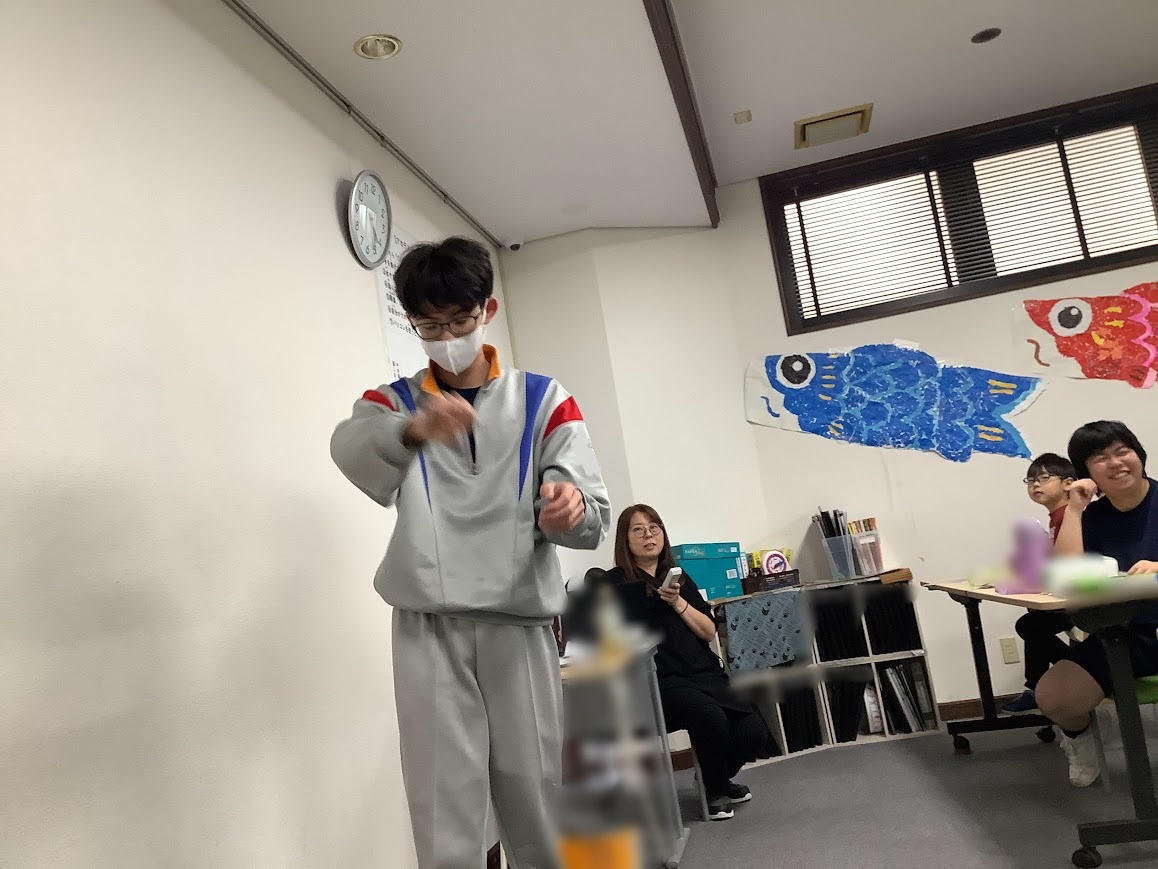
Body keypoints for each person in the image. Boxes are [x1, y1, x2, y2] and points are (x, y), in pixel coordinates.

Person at [330, 237, 611, 869]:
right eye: (430, 326)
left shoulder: (543, 399)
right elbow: (349, 446)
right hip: (429, 624)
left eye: (460, 320)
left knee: (536, 794)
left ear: (488, 310)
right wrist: (413, 430)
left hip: (520, 620)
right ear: (412, 323)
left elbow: (589, 513)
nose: (447, 337)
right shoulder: (394, 403)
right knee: (442, 800)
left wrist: (568, 509)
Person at [602, 504, 775, 821]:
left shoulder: (679, 578)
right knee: (709, 716)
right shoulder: (615, 584)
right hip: (659, 680)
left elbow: (708, 631)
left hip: (704, 673)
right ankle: (715, 791)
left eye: (654, 528)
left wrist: (678, 601)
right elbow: (606, 637)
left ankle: (715, 777)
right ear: (624, 539)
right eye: (638, 529)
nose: (649, 535)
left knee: (754, 731)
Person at [1037, 421, 1158, 787]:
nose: (1116, 463)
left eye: (1123, 451)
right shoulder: (1091, 517)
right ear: (1085, 472)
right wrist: (1074, 510)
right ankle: (1082, 737)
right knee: (1054, 698)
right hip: (1123, 632)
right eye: (1101, 458)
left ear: (1139, 455)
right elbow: (1066, 575)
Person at [1002, 453, 1077, 714]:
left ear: (1068, 483)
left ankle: (1078, 667)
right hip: (1063, 594)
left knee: (1030, 625)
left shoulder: (1072, 515)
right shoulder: (1055, 517)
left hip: (1084, 597)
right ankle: (1037, 687)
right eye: (1031, 480)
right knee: (1034, 620)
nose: (1035, 484)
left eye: (1044, 478)